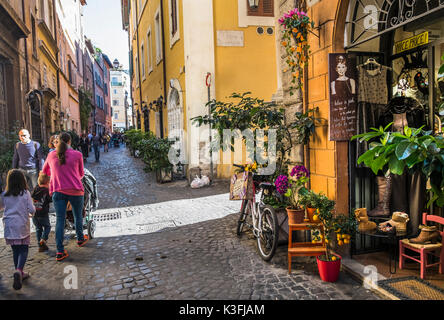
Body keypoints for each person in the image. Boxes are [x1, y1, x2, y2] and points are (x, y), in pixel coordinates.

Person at [41, 132, 89, 261]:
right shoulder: (77, 154)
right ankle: (80, 239)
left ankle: (60, 251)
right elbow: (81, 174)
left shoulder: (51, 155)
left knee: (60, 220)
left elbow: (45, 171)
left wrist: (57, 173)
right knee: (78, 215)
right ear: (69, 142)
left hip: (58, 190)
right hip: (75, 190)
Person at [0, 169, 35, 290]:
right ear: (22, 180)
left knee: (15, 250)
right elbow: (32, 209)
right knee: (24, 249)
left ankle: (18, 271)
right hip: (21, 225)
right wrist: (32, 212)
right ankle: (19, 271)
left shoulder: (4, 194)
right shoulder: (25, 193)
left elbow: (0, 207)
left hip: (9, 226)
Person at [31, 173, 52, 252]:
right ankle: (43, 239)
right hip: (43, 214)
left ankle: (40, 246)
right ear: (47, 183)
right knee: (47, 227)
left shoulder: (35, 188)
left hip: (35, 214)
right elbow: (50, 199)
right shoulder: (46, 190)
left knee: (38, 229)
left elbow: (32, 196)